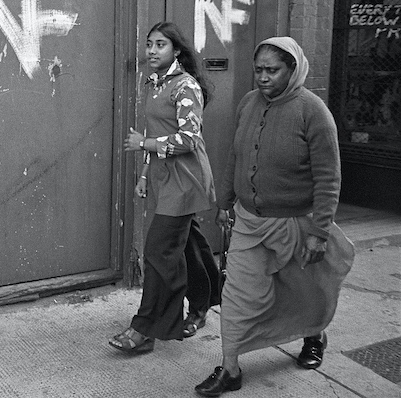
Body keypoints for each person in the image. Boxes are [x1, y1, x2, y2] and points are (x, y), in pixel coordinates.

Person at [195, 37, 355, 397]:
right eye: (259, 69)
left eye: (273, 70)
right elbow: (236, 155)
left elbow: (329, 178)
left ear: (293, 70)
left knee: (305, 291)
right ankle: (230, 367)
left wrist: (320, 232)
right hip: (250, 222)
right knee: (237, 294)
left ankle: (313, 334)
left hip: (297, 224)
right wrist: (224, 202)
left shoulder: (313, 112)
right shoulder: (249, 103)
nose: (263, 77)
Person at [109, 21, 221, 355]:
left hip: (185, 181)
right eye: (149, 45)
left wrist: (145, 143)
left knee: (159, 252)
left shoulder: (185, 87)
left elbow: (188, 139)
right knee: (187, 245)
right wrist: (145, 174)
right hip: (163, 178)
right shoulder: (154, 84)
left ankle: (147, 328)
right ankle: (203, 303)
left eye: (160, 45)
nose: (152, 51)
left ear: (176, 50)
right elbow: (155, 130)